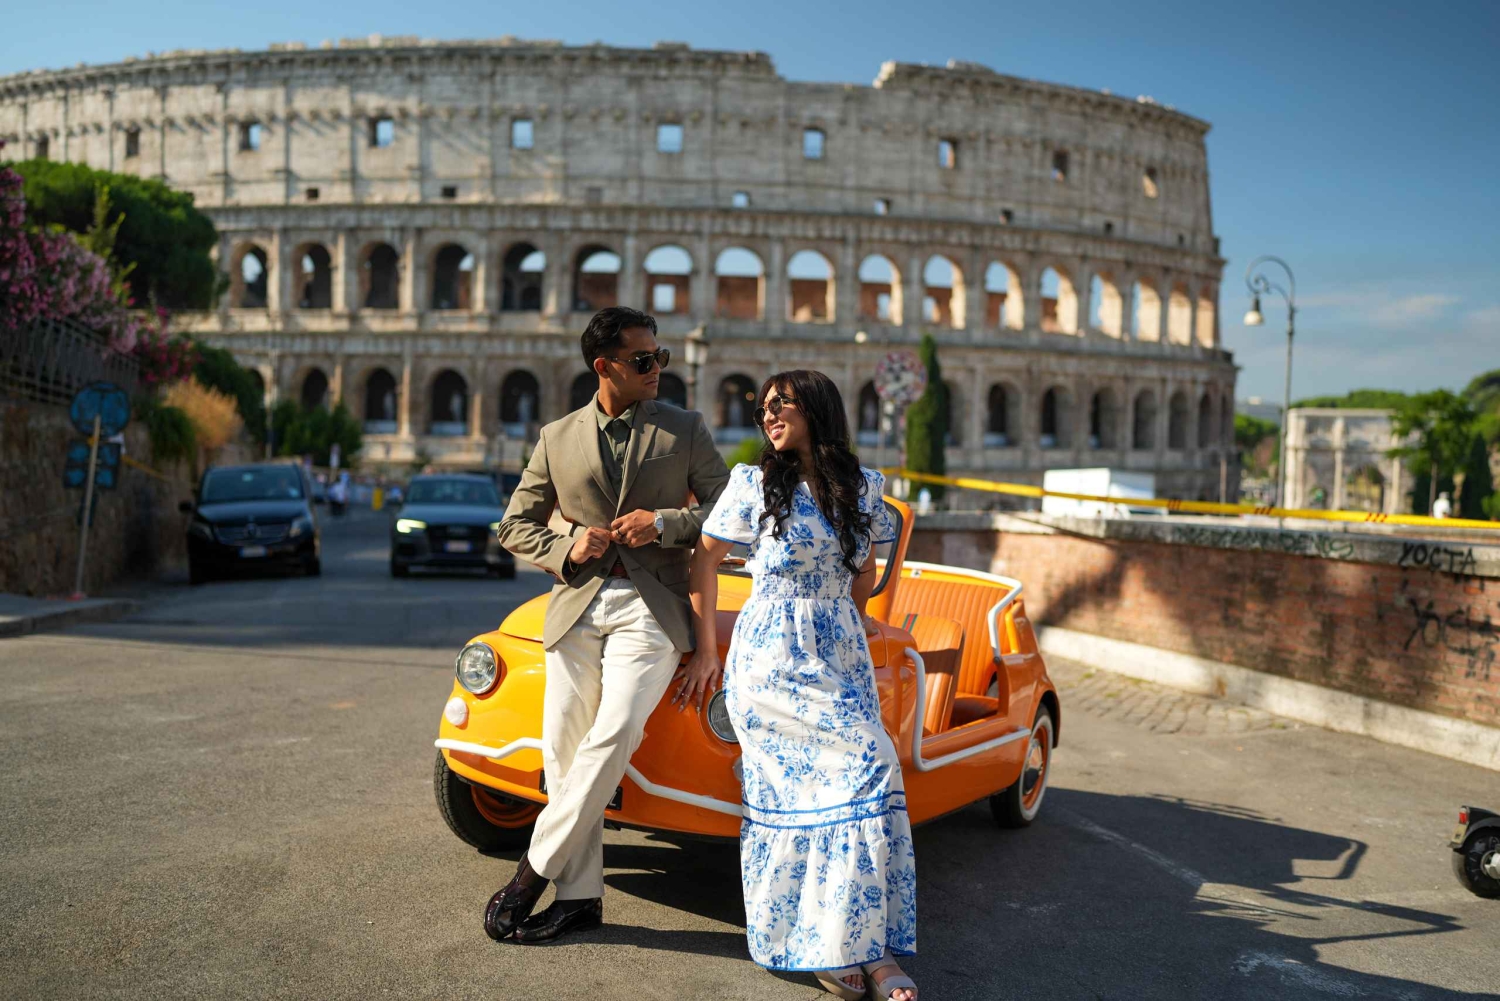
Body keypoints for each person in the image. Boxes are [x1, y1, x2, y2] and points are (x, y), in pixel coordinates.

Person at [485, 306, 732, 945]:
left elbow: (730, 510)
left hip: (651, 609)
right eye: (644, 361)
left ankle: (531, 872)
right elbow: (513, 524)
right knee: (565, 757)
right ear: (606, 367)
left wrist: (667, 523)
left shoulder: (685, 428)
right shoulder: (557, 436)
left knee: (614, 732)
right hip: (574, 605)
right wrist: (567, 546)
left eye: (661, 358)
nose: (658, 370)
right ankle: (580, 899)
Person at [677, 370, 918, 1001]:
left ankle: (870, 948)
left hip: (838, 656)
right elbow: (703, 559)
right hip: (769, 659)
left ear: (816, 408)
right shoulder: (751, 483)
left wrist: (844, 609)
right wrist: (707, 650)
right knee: (811, 791)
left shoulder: (865, 489)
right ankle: (839, 948)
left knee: (873, 765)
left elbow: (863, 574)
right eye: (763, 407)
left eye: (781, 404)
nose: (768, 415)